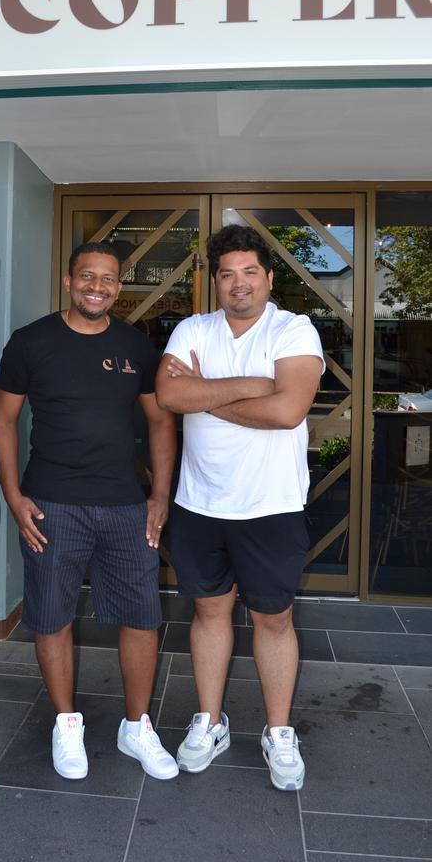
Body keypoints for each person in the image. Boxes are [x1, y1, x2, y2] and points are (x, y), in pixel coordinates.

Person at [0, 241, 178, 782]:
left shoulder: (137, 347)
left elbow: (162, 423)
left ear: (120, 287)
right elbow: (3, 420)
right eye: (87, 277)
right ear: (69, 280)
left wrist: (160, 496)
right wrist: (13, 494)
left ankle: (136, 726)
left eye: (109, 279)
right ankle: (66, 722)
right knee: (51, 615)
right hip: (50, 502)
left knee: (141, 617)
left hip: (125, 506)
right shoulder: (31, 342)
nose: (98, 287)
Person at [155, 224, 324, 791]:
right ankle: (211, 719)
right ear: (215, 282)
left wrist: (211, 395)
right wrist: (251, 385)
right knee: (208, 613)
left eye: (250, 271)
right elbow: (171, 396)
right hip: (200, 502)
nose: (239, 283)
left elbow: (287, 411)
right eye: (228, 273)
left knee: (274, 619)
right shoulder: (192, 328)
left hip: (270, 505)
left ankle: (278, 730)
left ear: (269, 278)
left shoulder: (293, 328)